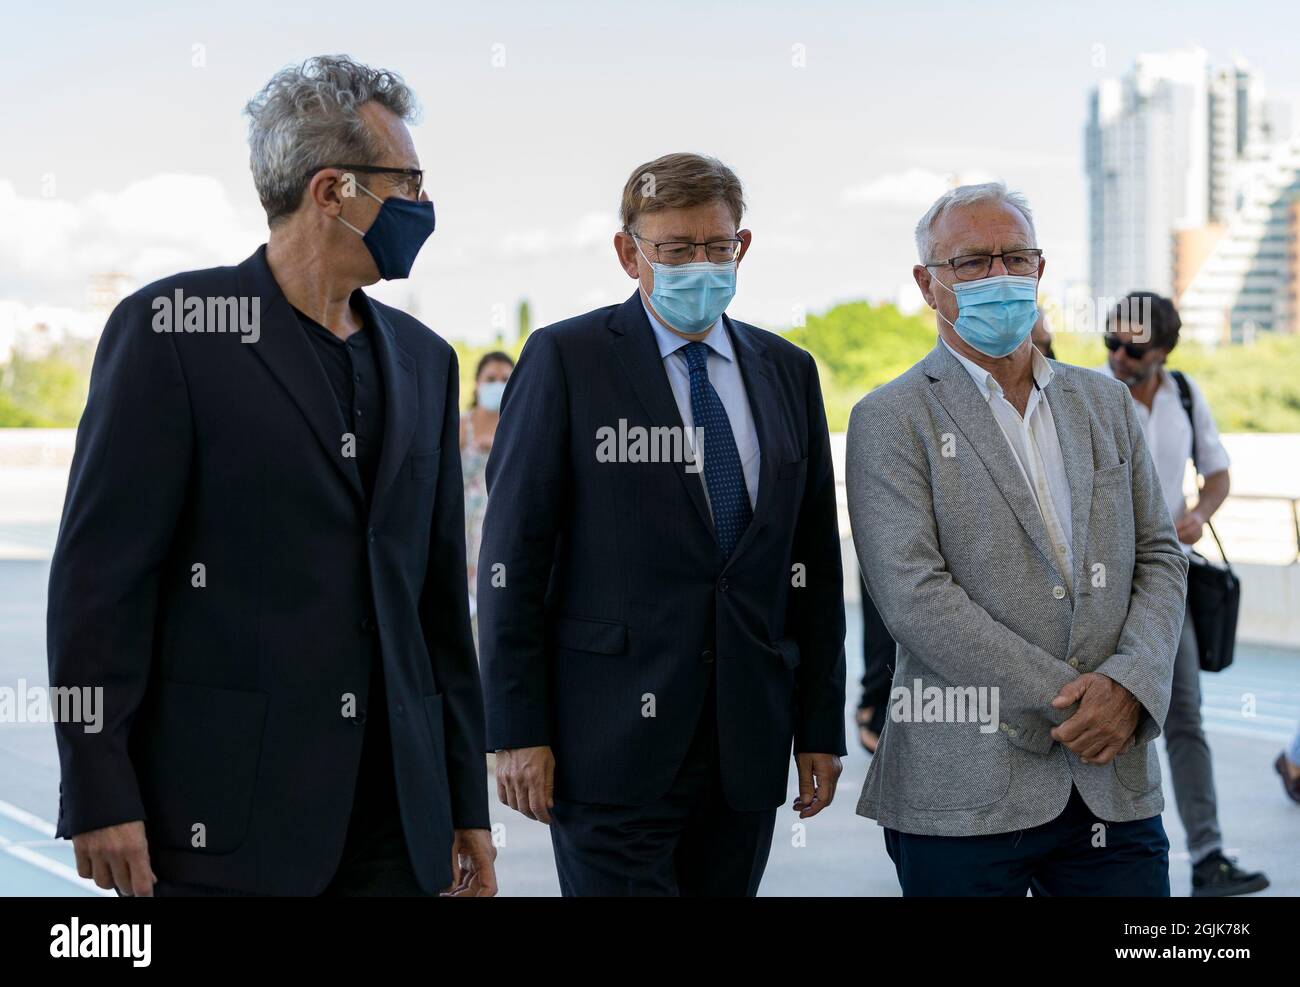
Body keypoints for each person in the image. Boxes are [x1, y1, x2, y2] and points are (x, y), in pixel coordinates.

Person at [46, 55, 495, 897]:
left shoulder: (427, 362)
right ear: (333, 190)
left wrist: (463, 799)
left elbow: (437, 608)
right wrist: (99, 787)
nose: (424, 204)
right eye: (408, 180)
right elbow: (96, 587)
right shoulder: (171, 332)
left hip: (398, 826)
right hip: (223, 823)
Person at [477, 152, 846, 896]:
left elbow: (812, 566)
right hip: (606, 748)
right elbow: (511, 559)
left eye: (717, 246)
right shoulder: (565, 359)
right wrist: (516, 729)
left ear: (742, 246)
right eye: (676, 249)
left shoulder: (787, 370)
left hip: (743, 748)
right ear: (629, 251)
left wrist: (820, 727)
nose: (700, 265)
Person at [846, 182, 1187, 896]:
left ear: (1039, 267)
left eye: (1015, 257)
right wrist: (1081, 701)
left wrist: (1130, 685)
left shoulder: (1104, 403)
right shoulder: (891, 418)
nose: (999, 277)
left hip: (1111, 789)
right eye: (972, 262)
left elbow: (1159, 553)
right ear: (927, 284)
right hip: (962, 795)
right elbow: (915, 598)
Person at [1100, 292, 1268, 896]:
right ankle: (1099, 855)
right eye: (1110, 343)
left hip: (1168, 578)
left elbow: (1218, 474)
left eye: (1133, 347)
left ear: (1164, 350)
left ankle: (1208, 857)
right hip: (1097, 587)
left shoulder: (1186, 396)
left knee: (1186, 719)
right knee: (1104, 717)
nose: (1119, 355)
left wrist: (1200, 512)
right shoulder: (1086, 393)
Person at [461, 351, 514, 628]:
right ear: (477, 384)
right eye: (490, 378)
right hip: (466, 530)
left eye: (505, 378)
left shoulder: (519, 426)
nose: (498, 384)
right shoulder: (461, 426)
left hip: (501, 529)